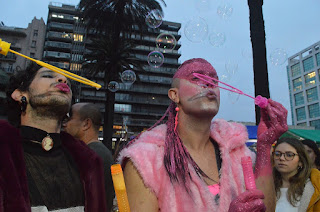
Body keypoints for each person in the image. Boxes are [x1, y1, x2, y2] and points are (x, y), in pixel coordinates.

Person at [118, 58, 288, 212]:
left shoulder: (238, 152)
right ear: (174, 95)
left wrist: (265, 147)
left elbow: (265, 209)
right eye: (197, 79)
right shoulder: (144, 161)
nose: (209, 84)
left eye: (214, 81)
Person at [0, 61, 107, 211]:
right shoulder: (3, 150)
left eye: (67, 81)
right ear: (19, 94)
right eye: (48, 75)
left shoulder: (88, 162)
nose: (63, 80)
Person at [63, 102, 115, 212]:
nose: (64, 124)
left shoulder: (92, 155)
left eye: (69, 119)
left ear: (86, 124)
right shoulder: (100, 152)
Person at [273, 137, 320, 212]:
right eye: (277, 154)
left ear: (300, 161)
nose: (281, 158)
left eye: (289, 155)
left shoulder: (314, 187)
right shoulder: (266, 185)